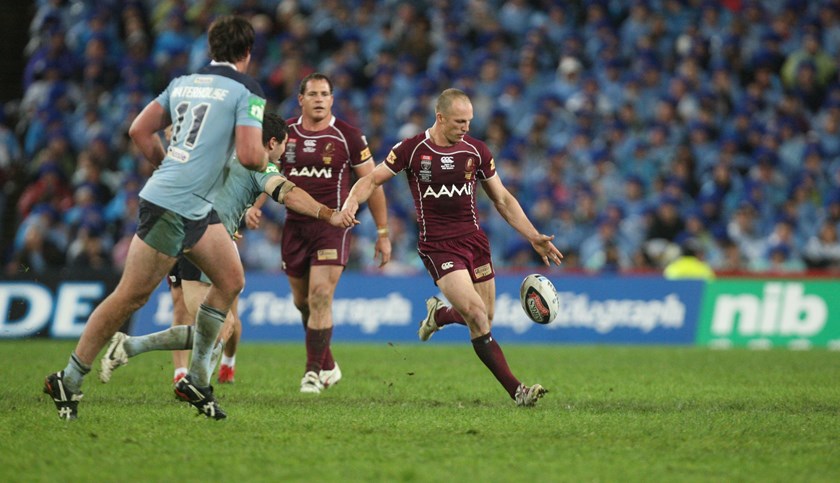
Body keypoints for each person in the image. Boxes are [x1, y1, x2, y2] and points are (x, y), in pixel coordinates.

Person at [43, 15, 270, 420]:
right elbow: (252, 156)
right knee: (131, 295)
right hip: (175, 204)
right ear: (247, 54)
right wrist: (267, 157)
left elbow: (138, 130)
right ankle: (70, 376)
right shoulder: (247, 90)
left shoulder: (181, 83)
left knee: (232, 279)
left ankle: (197, 381)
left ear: (212, 48)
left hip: (192, 204)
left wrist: (167, 163)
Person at [98, 113, 356, 390]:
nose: (285, 152)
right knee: (219, 326)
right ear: (272, 142)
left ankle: (191, 382)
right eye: (284, 145)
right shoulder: (261, 166)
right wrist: (329, 214)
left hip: (187, 229)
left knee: (221, 324)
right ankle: (153, 360)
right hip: (201, 237)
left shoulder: (224, 145)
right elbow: (290, 194)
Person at [341, 88, 563, 407]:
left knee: (485, 317)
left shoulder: (477, 151)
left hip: (474, 241)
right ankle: (518, 391)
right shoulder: (412, 149)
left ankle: (440, 314)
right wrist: (351, 203)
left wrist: (533, 235)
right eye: (460, 121)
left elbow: (502, 198)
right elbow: (372, 180)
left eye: (470, 121)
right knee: (475, 314)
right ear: (440, 117)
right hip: (438, 245)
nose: (466, 127)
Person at [247, 73, 391, 394]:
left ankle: (312, 373)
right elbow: (269, 171)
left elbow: (373, 184)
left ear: (332, 99)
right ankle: (327, 364)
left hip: (334, 226)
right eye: (312, 94)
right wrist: (254, 205)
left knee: (320, 295)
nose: (319, 99)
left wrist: (382, 232)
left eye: (324, 94)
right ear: (301, 99)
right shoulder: (284, 134)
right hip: (295, 228)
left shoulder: (349, 136)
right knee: (303, 303)